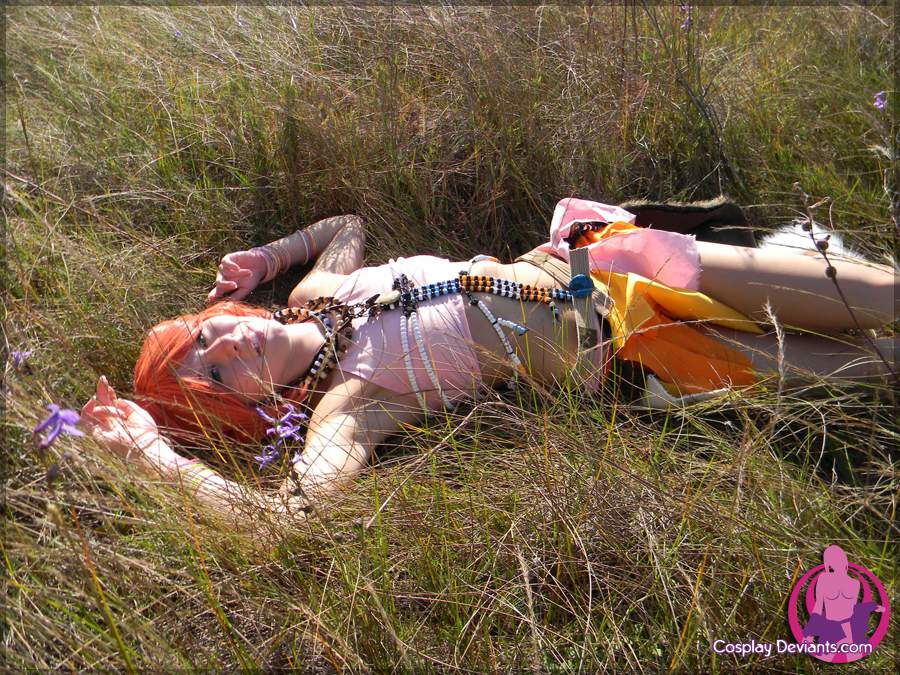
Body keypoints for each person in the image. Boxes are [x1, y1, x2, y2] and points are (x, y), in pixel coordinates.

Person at [81, 200, 898, 526]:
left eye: (204, 337)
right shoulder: (351, 402)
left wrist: (270, 255)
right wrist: (154, 455)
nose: (226, 347)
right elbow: (284, 520)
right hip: (636, 354)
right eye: (216, 377)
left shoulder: (316, 291)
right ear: (243, 409)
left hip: (615, 262)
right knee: (878, 362)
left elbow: (347, 224)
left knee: (880, 294)